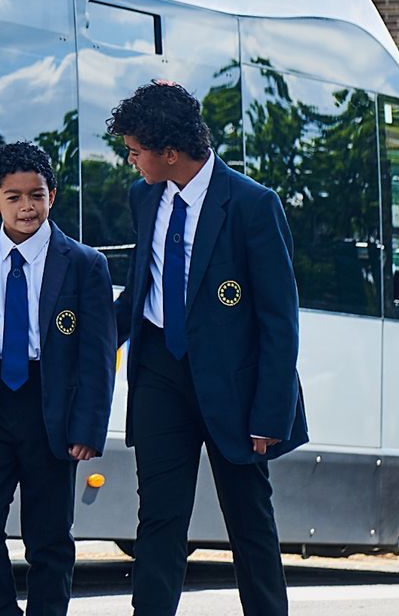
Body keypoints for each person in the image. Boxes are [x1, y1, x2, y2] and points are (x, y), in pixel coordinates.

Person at [108, 82, 307, 616]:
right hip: (160, 378)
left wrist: (272, 412)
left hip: (234, 390)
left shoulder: (252, 206)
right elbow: (141, 290)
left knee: (249, 523)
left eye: (135, 150)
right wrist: (87, 339)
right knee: (159, 520)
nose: (130, 160)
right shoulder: (144, 197)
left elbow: (278, 320)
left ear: (169, 152)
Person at [0, 141, 116, 616]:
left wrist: (88, 427)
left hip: (51, 411)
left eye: (36, 195)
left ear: (52, 196)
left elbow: (98, 354)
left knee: (49, 534)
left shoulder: (84, 264)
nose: (26, 207)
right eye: (13, 197)